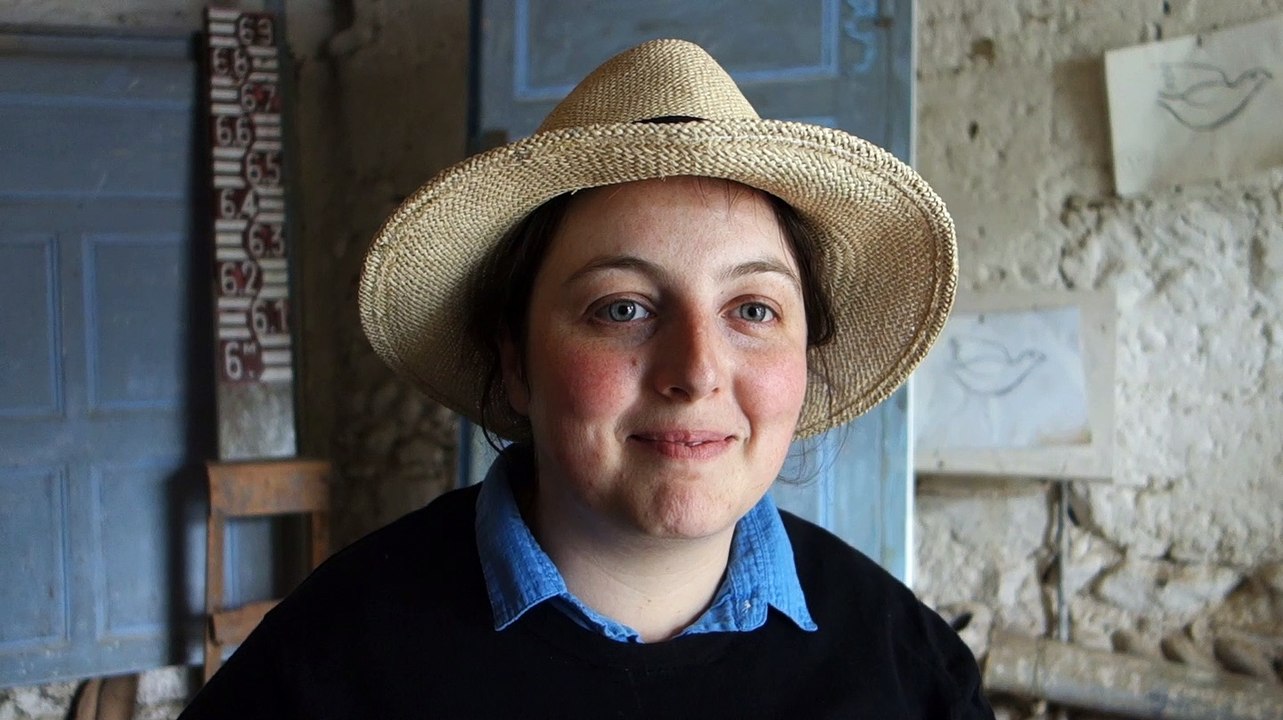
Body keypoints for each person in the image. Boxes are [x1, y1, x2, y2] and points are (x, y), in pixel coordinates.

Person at [181, 39, 994, 718]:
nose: (695, 372)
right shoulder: (328, 667)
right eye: (622, 309)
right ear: (515, 363)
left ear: (805, 358)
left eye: (752, 309)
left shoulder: (910, 673)